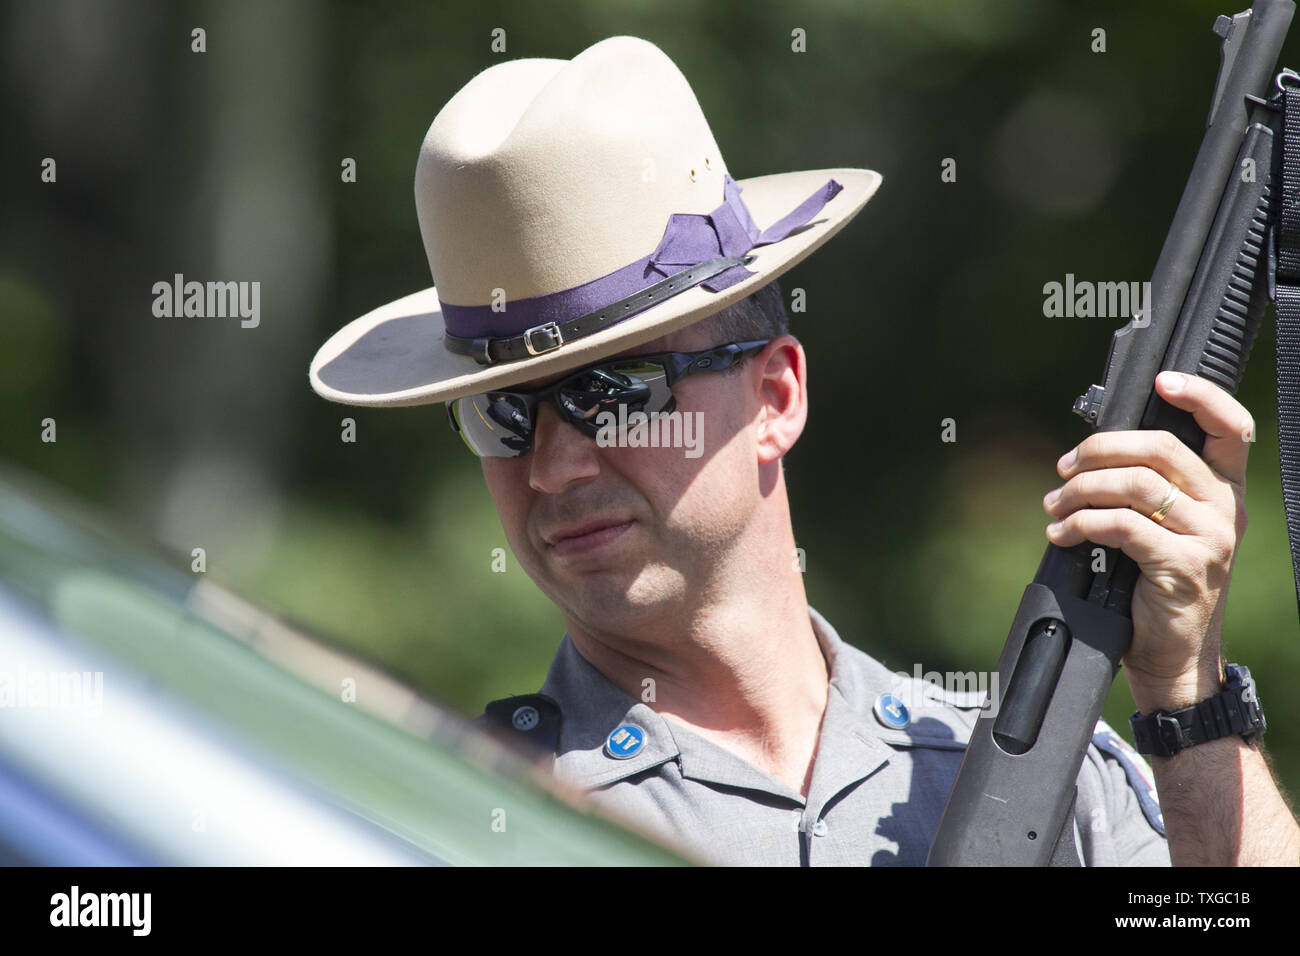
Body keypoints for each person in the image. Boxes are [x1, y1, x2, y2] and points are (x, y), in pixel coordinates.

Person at [310, 36, 1300, 866]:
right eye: (504, 414)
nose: (556, 467)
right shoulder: (459, 823)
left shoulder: (1027, 767)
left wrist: (1183, 695)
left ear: (775, 394)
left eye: (617, 394)